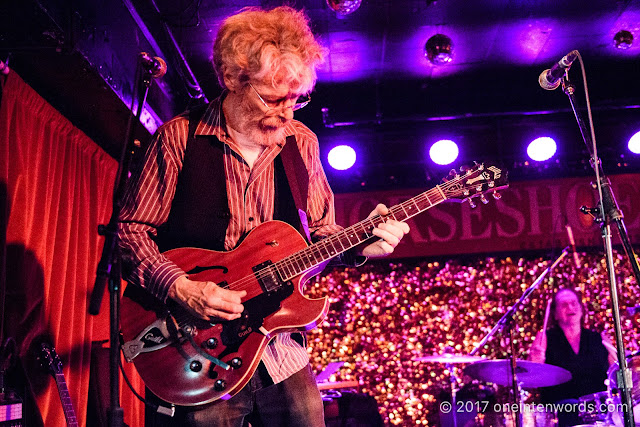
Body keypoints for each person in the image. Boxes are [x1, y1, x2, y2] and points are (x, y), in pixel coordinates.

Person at [117, 6, 409, 427]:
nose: (287, 113)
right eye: (273, 98)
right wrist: (182, 288)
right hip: (196, 348)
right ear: (234, 80)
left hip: (281, 348)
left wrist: (363, 244)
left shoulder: (301, 142)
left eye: (297, 98)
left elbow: (323, 234)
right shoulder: (179, 137)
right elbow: (130, 231)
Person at [529, 287, 617, 427]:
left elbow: (615, 373)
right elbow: (532, 378)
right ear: (555, 314)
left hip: (598, 409)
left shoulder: (599, 339)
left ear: (581, 310)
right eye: (564, 304)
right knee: (569, 406)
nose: (570, 307)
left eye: (574, 303)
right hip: (561, 410)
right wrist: (535, 361)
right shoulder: (545, 338)